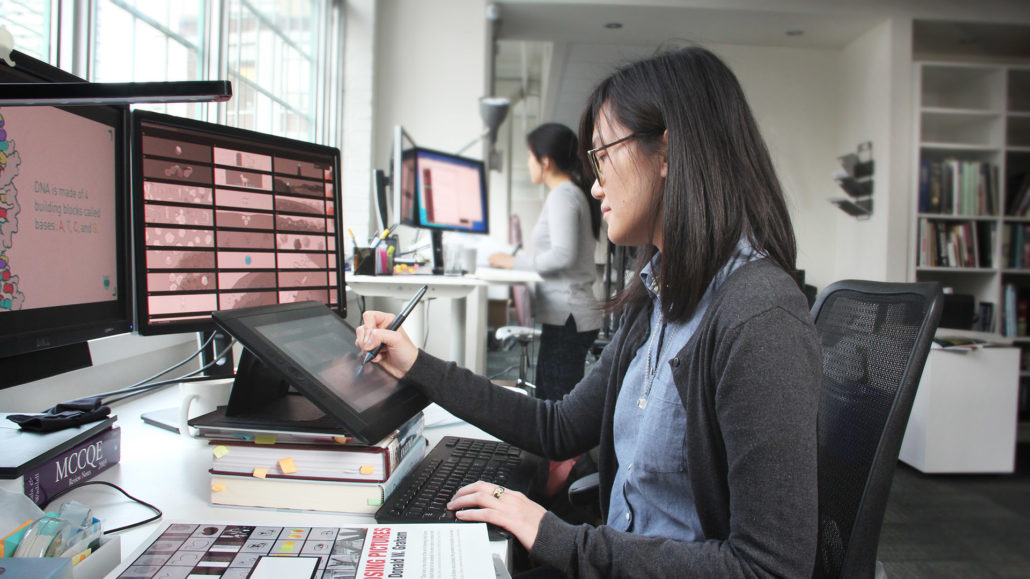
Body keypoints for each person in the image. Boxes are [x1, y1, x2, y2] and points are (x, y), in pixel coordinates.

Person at [356, 45, 821, 578]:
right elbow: (558, 427)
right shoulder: (659, 299)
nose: (596, 184)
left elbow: (770, 570)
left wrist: (558, 538)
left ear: (667, 152)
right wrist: (417, 365)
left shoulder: (759, 319)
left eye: (602, 157)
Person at [488, 122, 603, 401]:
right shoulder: (570, 192)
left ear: (545, 161)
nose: (528, 163)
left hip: (569, 315)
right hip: (568, 314)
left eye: (530, 156)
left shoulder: (563, 195)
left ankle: (562, 448)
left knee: (555, 405)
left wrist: (512, 261)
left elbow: (563, 255)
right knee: (553, 400)